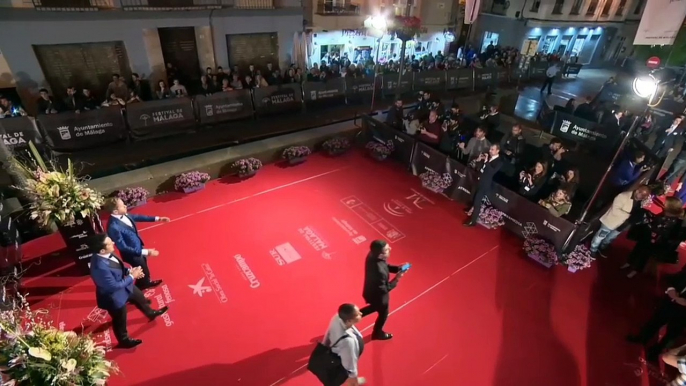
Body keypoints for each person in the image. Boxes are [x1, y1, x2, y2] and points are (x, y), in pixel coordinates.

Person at [88, 234, 168, 349]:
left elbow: (118, 268)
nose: (113, 243)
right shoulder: (99, 268)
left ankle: (150, 313)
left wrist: (130, 271)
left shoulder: (107, 253)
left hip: (126, 285)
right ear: (102, 250)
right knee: (120, 319)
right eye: (110, 243)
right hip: (114, 297)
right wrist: (132, 276)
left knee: (140, 298)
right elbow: (113, 286)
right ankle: (124, 340)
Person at [105, 198, 170, 290]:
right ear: (116, 211)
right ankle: (136, 290)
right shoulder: (113, 227)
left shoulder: (123, 214)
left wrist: (157, 218)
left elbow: (138, 217)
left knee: (143, 271)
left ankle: (144, 284)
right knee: (142, 271)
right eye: (122, 206)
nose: (125, 206)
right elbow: (122, 247)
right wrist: (145, 252)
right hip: (132, 254)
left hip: (138, 247)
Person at [628, 271, 686, 360]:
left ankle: (656, 352)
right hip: (670, 302)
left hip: (683, 313)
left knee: (671, 334)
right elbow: (672, 279)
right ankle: (643, 338)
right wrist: (671, 289)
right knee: (655, 321)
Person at [621, 197, 685, 278]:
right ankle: (629, 262)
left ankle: (636, 270)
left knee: (645, 255)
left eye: (667, 203)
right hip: (648, 234)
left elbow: (665, 230)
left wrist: (650, 220)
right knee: (637, 248)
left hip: (656, 240)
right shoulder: (667, 212)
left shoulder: (675, 219)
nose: (664, 203)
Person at [360, 240, 407, 340]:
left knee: (374, 307)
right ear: (380, 254)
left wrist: (398, 268)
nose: (390, 249)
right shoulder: (378, 271)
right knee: (383, 312)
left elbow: (385, 265)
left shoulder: (373, 255)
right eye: (386, 249)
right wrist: (397, 279)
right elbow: (384, 289)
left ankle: (350, 317)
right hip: (379, 296)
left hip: (371, 291)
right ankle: (377, 333)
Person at [589, 185, 651, 258]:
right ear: (637, 190)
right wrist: (629, 216)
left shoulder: (639, 201)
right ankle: (593, 249)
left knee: (610, 238)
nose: (643, 197)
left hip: (622, 225)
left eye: (645, 196)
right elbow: (615, 210)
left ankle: (602, 247)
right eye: (642, 195)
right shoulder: (623, 196)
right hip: (610, 222)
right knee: (600, 236)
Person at [322, 304, 366, 386]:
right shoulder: (347, 342)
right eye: (357, 314)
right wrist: (353, 375)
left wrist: (324, 346)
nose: (361, 314)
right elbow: (348, 362)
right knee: (340, 379)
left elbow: (328, 334)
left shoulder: (337, 317)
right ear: (349, 321)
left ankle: (353, 382)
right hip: (340, 360)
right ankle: (353, 382)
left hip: (338, 351)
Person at [464, 144, 503, 226]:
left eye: (492, 149)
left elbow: (492, 171)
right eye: (490, 149)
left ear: (497, 150)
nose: (490, 150)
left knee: (477, 202)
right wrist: (479, 160)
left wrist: (486, 161)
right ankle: (470, 210)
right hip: (478, 180)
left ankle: (472, 221)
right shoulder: (488, 157)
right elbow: (480, 167)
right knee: (473, 198)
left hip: (485, 184)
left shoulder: (499, 162)